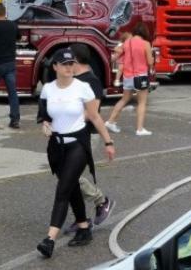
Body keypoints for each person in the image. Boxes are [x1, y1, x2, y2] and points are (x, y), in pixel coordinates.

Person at [36, 48, 116, 259]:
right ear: (55, 67)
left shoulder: (83, 88)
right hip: (57, 146)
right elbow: (45, 116)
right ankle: (83, 226)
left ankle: (49, 240)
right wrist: (45, 125)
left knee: (63, 190)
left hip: (78, 145)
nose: (69, 67)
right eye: (64, 64)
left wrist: (108, 141)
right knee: (71, 189)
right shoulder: (48, 90)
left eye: (71, 63)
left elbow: (95, 117)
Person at [63, 44, 115, 234]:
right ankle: (82, 218)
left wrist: (108, 142)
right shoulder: (73, 80)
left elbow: (92, 112)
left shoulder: (91, 82)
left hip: (86, 135)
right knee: (66, 177)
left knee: (70, 177)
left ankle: (101, 201)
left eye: (69, 59)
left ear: (75, 60)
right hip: (69, 135)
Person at [105, 23, 154, 136]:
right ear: (144, 33)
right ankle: (140, 129)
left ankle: (110, 121)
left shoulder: (126, 43)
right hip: (140, 76)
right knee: (142, 102)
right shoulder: (145, 43)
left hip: (127, 75)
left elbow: (116, 53)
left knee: (124, 99)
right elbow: (150, 62)